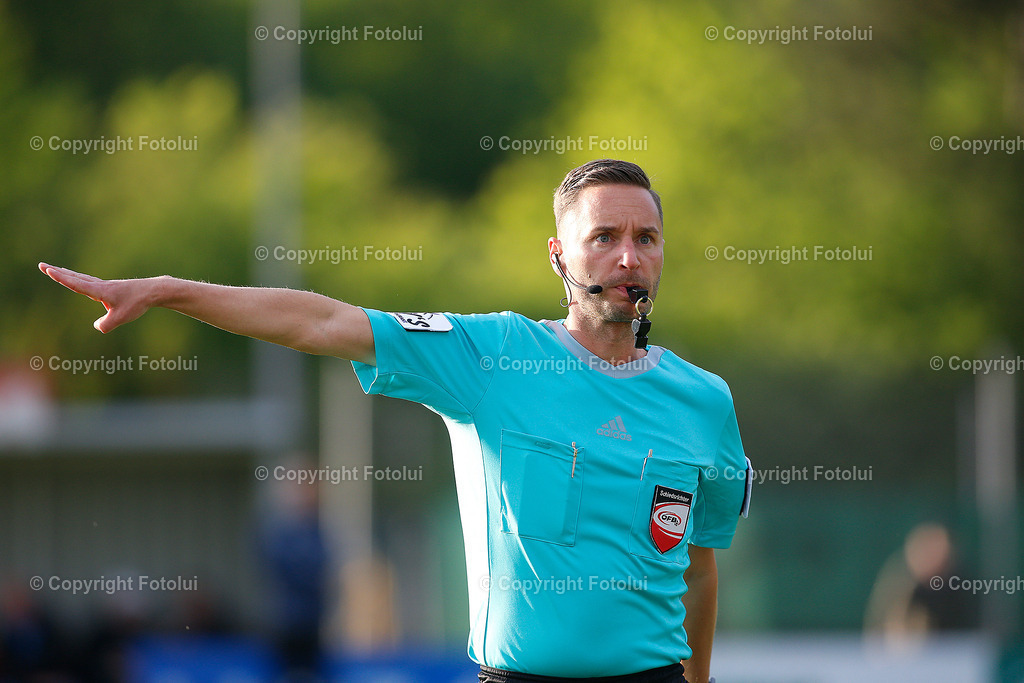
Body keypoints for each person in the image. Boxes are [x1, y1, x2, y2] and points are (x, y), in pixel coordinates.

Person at [39, 159, 751, 683]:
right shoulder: (492, 354)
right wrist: (169, 291)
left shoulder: (705, 401)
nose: (629, 256)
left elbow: (699, 565)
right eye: (604, 236)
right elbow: (321, 321)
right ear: (559, 254)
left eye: (647, 237)